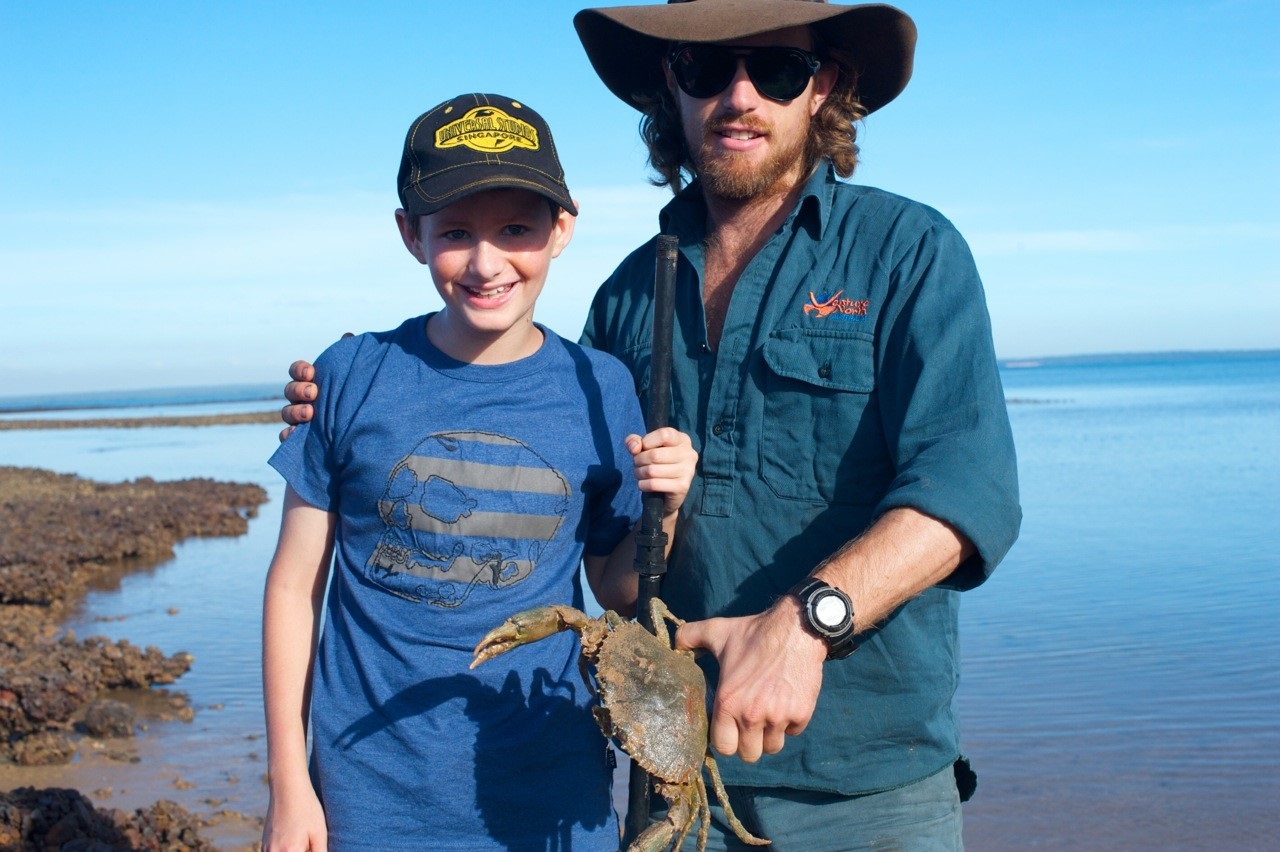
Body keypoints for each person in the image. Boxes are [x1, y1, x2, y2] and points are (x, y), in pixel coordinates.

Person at [282, 2, 1022, 847]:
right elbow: (593, 526)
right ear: (670, 88)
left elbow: (970, 493)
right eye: (705, 69)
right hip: (667, 774)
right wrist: (345, 397)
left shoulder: (907, 252)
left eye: (775, 69)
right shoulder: (633, 295)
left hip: (868, 784)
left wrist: (803, 628)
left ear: (827, 86)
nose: (737, 95)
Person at [262, 92, 697, 851]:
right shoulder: (351, 374)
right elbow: (295, 586)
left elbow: (618, 589)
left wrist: (669, 506)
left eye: (516, 229)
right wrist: (289, 785)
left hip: (555, 793)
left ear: (562, 229)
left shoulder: (602, 386)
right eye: (456, 232)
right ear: (411, 234)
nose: (487, 261)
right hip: (371, 797)